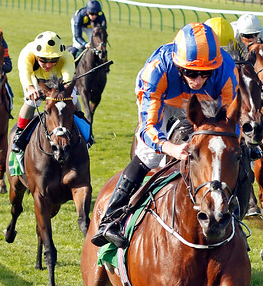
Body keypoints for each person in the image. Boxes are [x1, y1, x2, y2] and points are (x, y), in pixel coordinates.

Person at [91, 23, 240, 248]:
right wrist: (170, 148)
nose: (198, 80)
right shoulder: (156, 71)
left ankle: (237, 217)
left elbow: (232, 120)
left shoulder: (226, 71)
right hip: (164, 100)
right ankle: (111, 219)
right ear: (180, 66)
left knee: (231, 154)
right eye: (191, 73)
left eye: (205, 74)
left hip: (204, 102)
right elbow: (147, 128)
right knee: (148, 155)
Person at [11, 31, 77, 153]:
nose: (48, 65)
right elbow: (24, 73)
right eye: (43, 61)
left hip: (58, 81)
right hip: (37, 81)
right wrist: (30, 88)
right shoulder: (27, 54)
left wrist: (67, 91)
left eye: (53, 61)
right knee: (32, 101)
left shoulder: (66, 56)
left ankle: (83, 132)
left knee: (74, 98)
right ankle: (19, 134)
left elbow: (68, 78)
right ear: (36, 57)